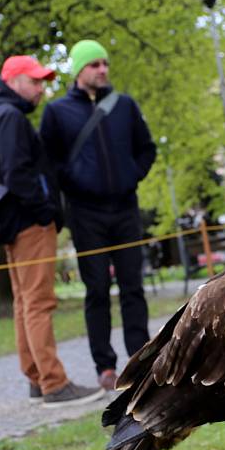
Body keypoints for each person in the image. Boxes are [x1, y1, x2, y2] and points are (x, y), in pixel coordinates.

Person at [0, 54, 105, 407]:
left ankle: (36, 377)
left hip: (17, 222)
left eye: (42, 81)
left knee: (24, 302)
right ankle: (53, 383)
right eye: (33, 81)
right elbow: (17, 173)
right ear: (13, 81)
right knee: (38, 302)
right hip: (29, 224)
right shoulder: (9, 117)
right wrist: (45, 211)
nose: (40, 88)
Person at [40, 40, 156, 391]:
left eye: (105, 63)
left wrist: (130, 175)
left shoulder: (124, 106)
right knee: (97, 290)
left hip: (125, 210)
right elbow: (50, 163)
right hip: (86, 214)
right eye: (94, 65)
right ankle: (104, 366)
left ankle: (139, 362)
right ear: (79, 70)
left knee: (133, 287)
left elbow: (146, 149)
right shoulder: (57, 113)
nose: (102, 70)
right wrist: (76, 185)